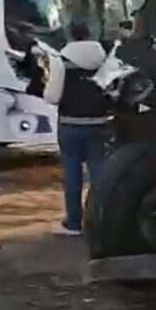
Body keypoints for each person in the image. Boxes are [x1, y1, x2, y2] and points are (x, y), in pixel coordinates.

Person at [43, 26, 111, 236]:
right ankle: (103, 220)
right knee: (100, 175)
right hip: (100, 123)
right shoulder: (105, 60)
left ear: (71, 37)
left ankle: (73, 223)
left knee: (72, 176)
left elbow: (52, 96)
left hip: (70, 125)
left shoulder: (61, 61)